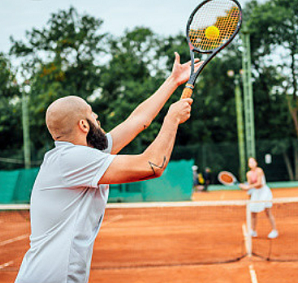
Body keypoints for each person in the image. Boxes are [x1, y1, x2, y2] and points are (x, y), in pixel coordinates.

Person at [15, 52, 202, 283]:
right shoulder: (71, 160)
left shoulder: (83, 155)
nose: (98, 118)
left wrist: (173, 80)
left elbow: (137, 121)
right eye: (93, 115)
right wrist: (172, 119)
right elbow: (152, 165)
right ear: (84, 125)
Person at [239, 157, 278, 239]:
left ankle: (274, 230)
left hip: (264, 192)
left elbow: (259, 183)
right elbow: (250, 187)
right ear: (249, 165)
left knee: (268, 212)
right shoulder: (248, 174)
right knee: (253, 212)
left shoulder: (259, 170)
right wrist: (247, 192)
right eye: (250, 162)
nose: (252, 163)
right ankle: (253, 231)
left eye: (253, 161)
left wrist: (247, 186)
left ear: (256, 163)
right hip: (256, 193)